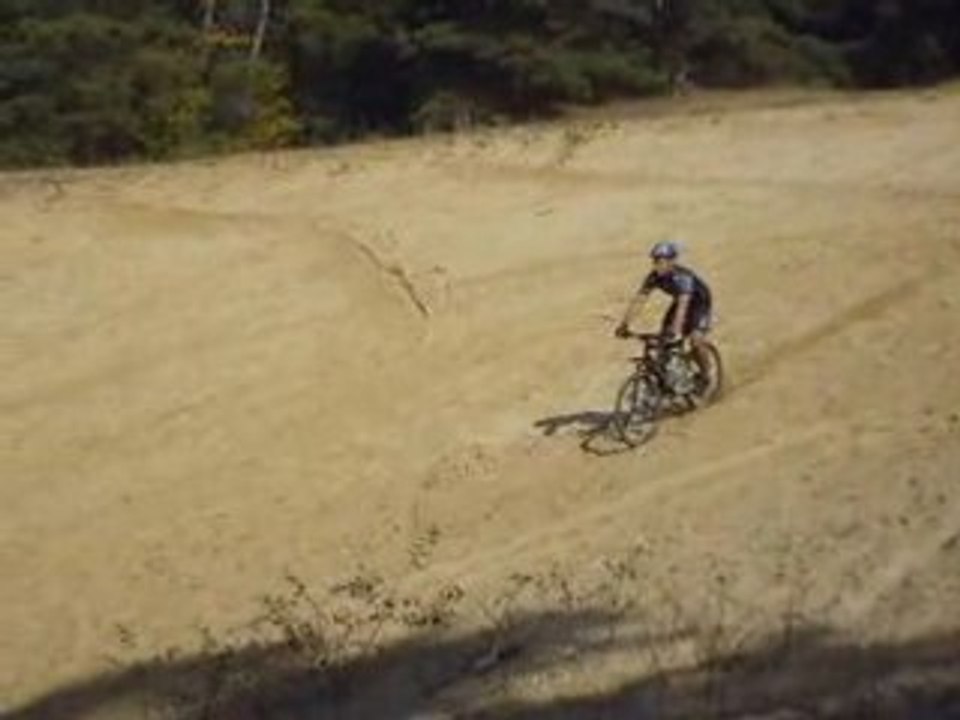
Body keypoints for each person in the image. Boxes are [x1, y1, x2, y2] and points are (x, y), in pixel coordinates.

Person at [615, 240, 714, 386]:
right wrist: (624, 324)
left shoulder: (683, 278)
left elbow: (683, 305)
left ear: (672, 262)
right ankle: (671, 380)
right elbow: (639, 301)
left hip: (699, 303)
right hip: (680, 302)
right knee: (663, 340)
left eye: (662, 261)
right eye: (655, 261)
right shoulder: (653, 277)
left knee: (695, 339)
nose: (657, 265)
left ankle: (706, 375)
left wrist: (676, 330)